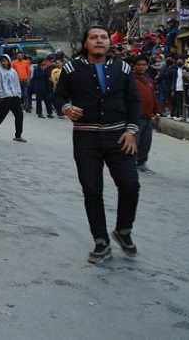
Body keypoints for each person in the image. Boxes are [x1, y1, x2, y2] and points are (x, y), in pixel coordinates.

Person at [54, 25, 141, 265]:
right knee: (92, 191)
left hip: (119, 138)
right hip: (86, 139)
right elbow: (58, 97)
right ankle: (101, 241)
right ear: (85, 43)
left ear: (109, 43)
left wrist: (132, 131)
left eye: (104, 37)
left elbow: (134, 102)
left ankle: (123, 230)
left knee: (130, 185)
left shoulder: (123, 68)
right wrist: (66, 108)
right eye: (94, 38)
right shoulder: (71, 69)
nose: (99, 41)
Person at [131, 55, 158, 174]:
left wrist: (156, 112)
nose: (141, 67)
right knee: (134, 140)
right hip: (136, 116)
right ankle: (130, 163)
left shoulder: (149, 81)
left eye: (144, 65)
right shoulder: (130, 80)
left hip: (147, 117)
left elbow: (153, 98)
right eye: (139, 65)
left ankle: (141, 163)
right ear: (134, 66)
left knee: (146, 141)